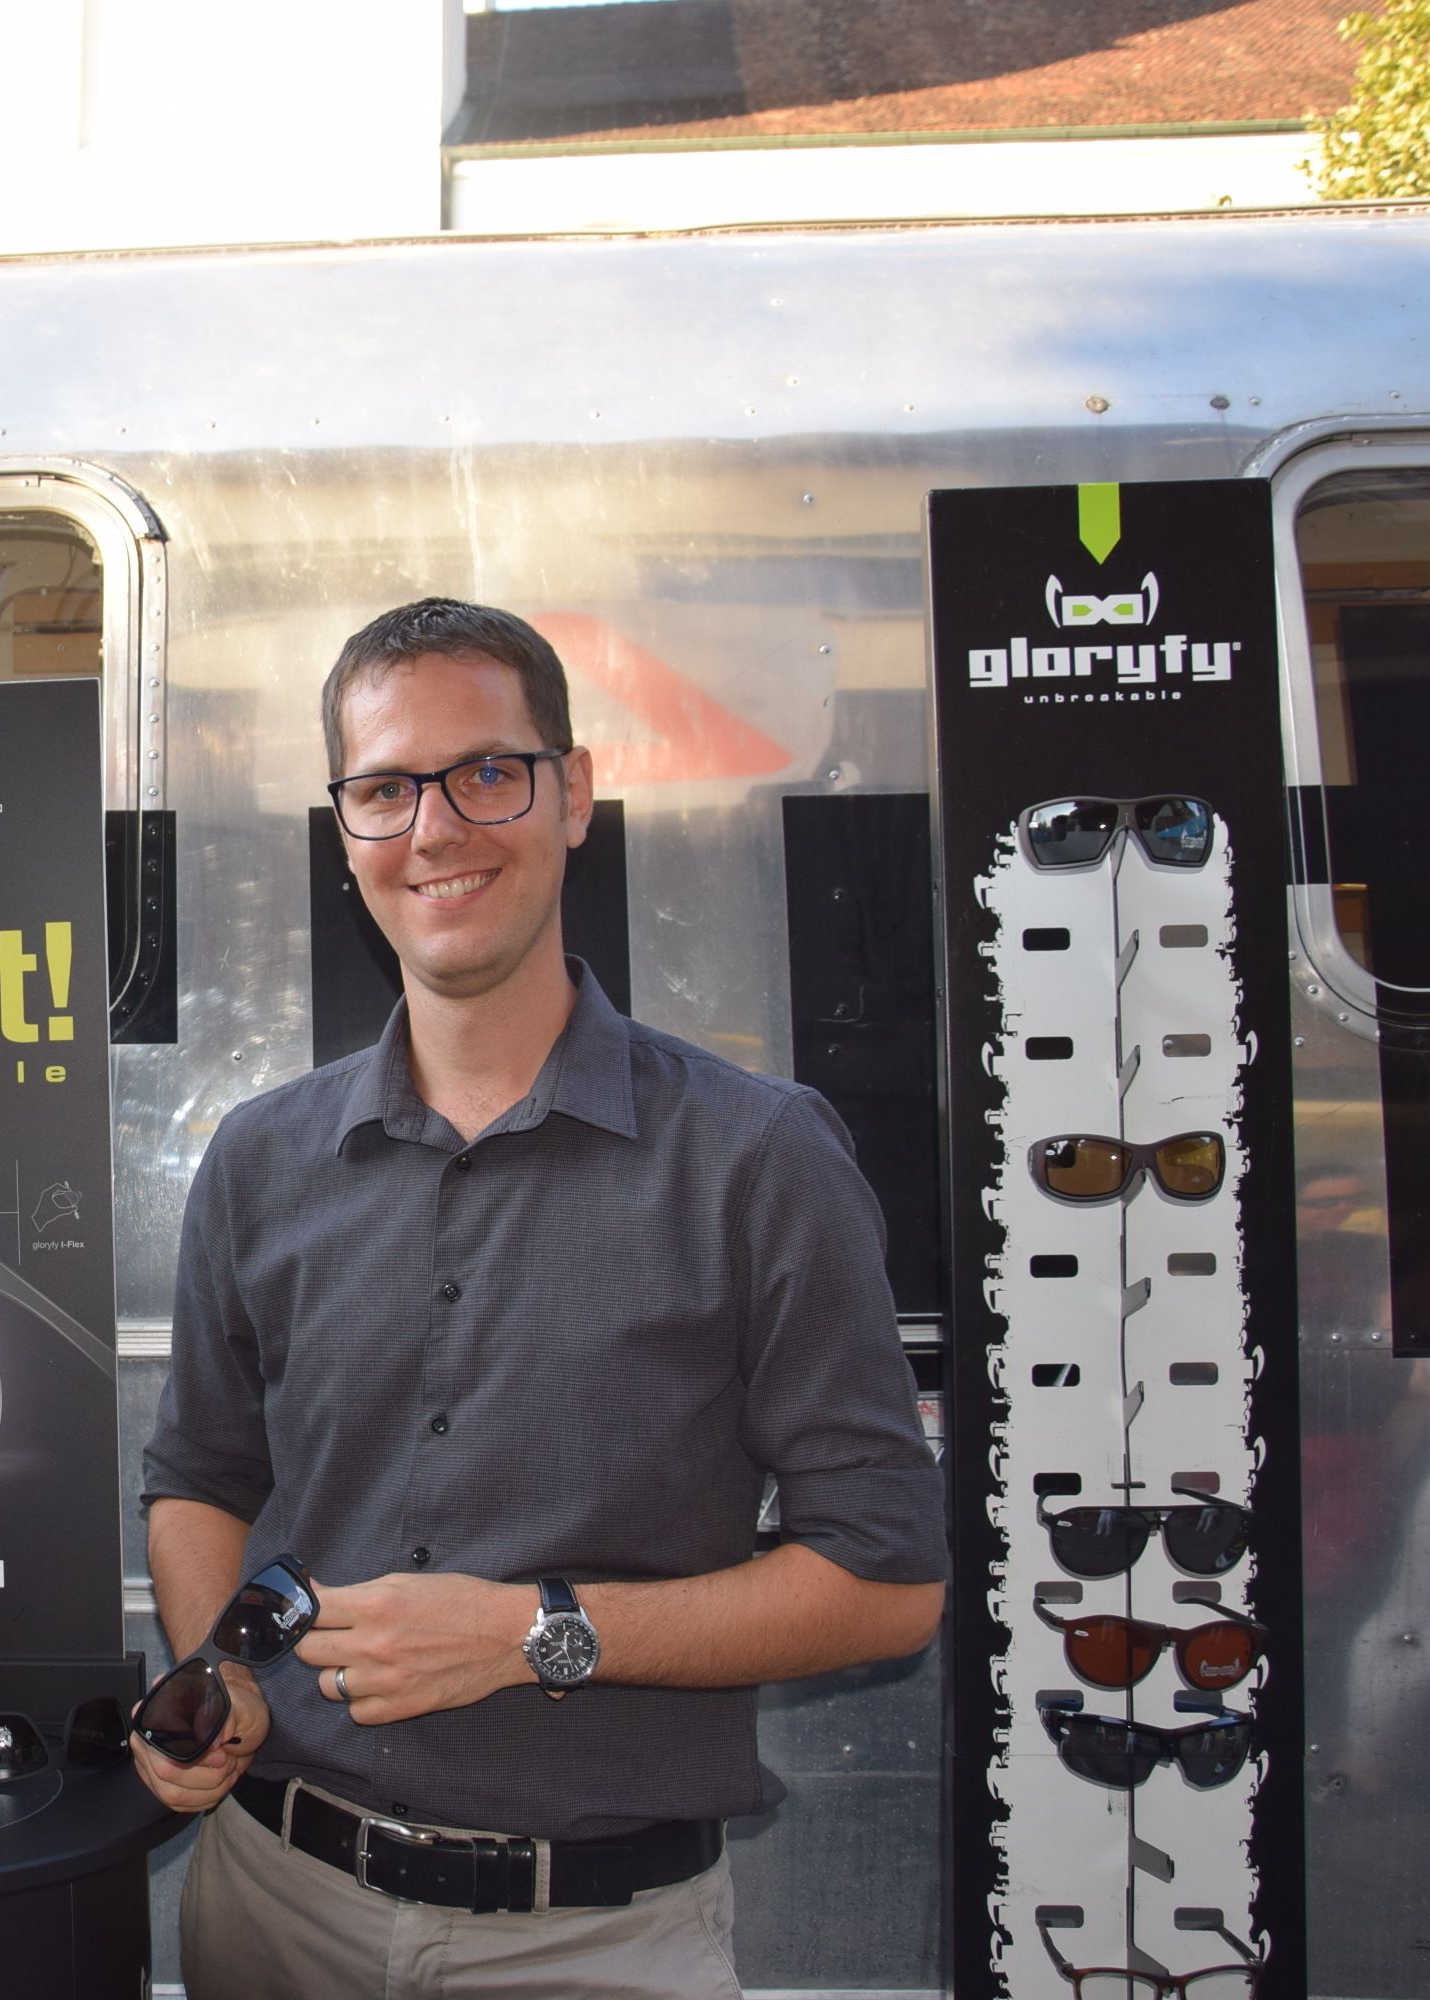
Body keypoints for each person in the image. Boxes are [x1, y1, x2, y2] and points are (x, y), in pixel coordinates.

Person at [138, 599, 947, 1998]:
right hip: (271, 1909)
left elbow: (885, 1583)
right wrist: (228, 1675)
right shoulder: (261, 1160)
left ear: (573, 794)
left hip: (594, 1946)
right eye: (386, 789)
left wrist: (531, 1637)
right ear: (346, 828)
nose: (436, 829)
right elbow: (201, 1479)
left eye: (486, 773)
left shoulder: (757, 1156)